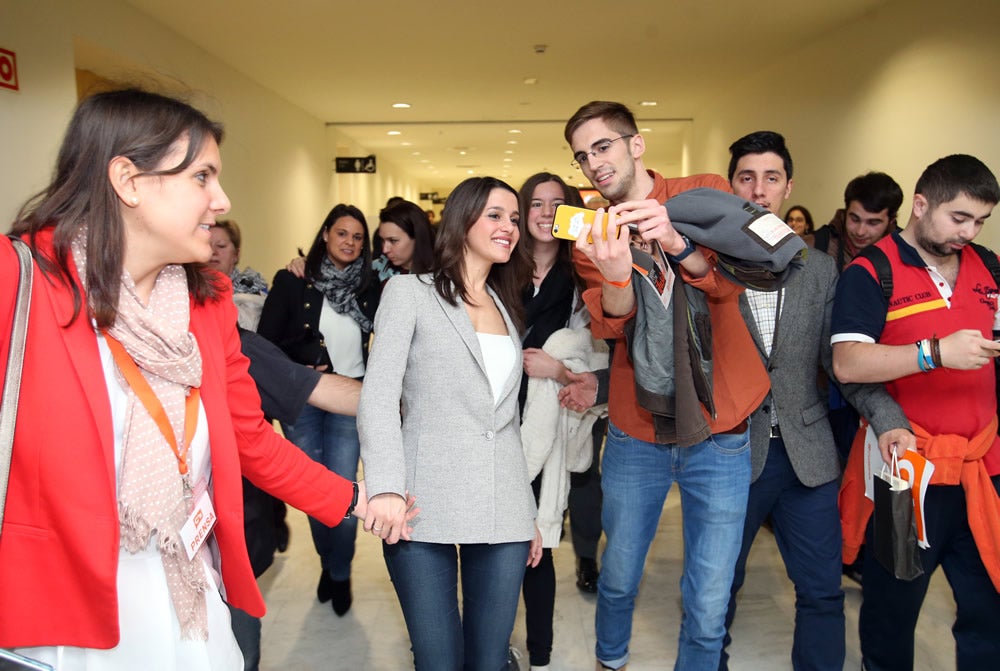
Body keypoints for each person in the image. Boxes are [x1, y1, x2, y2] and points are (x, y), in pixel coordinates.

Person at [0, 88, 396, 669]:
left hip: (187, 600)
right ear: (128, 180)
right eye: (202, 177)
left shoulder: (206, 305)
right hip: (63, 628)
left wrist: (359, 501)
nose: (221, 200)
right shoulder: (21, 285)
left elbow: (252, 441)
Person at [564, 100, 769, 671]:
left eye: (602, 147)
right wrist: (613, 273)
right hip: (638, 427)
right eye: (582, 157)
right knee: (621, 571)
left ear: (635, 144)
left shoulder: (702, 190)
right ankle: (610, 658)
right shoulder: (590, 230)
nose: (593, 164)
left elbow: (736, 283)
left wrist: (678, 244)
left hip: (720, 425)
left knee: (708, 595)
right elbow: (616, 324)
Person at [720, 131, 909, 671]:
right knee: (715, 593)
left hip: (807, 455)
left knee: (823, 593)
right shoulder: (704, 264)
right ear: (730, 184)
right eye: (746, 177)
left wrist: (888, 419)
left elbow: (843, 365)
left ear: (788, 187)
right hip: (729, 456)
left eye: (771, 178)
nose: (758, 190)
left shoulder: (820, 269)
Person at [359, 176, 543, 670]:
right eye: (496, 216)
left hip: (502, 504)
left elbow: (505, 421)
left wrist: (528, 513)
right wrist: (385, 489)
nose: (510, 227)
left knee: (489, 658)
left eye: (514, 218)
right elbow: (378, 396)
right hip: (422, 503)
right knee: (438, 659)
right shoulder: (408, 293)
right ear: (463, 220)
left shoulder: (507, 306)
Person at [832, 154, 1000, 671]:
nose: (968, 232)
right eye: (959, 218)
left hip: (983, 471)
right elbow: (846, 362)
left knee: (988, 610)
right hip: (903, 479)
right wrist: (934, 352)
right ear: (922, 205)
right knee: (891, 611)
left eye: (980, 222)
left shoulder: (989, 267)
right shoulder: (871, 271)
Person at [256, 203, 380, 617]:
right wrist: (299, 361)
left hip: (349, 400)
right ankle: (329, 563)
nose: (350, 242)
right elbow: (266, 340)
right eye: (342, 233)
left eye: (358, 237)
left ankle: (339, 571)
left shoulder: (370, 285)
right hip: (305, 398)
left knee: (343, 493)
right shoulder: (294, 280)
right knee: (311, 494)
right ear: (326, 234)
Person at [516, 172, 607, 671]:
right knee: (493, 544)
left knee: (537, 543)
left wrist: (556, 367)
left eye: (557, 204)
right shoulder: (499, 268)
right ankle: (492, 644)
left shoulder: (585, 278)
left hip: (547, 425)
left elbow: (604, 359)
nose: (546, 212)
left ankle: (542, 655)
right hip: (494, 420)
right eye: (536, 203)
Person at [808, 172, 904, 273]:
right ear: (846, 212)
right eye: (855, 219)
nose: (860, 232)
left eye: (873, 223)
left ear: (891, 220)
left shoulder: (906, 253)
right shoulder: (814, 246)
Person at [208, 219, 269, 330]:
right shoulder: (183, 288)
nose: (213, 251)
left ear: (236, 254)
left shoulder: (253, 290)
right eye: (207, 245)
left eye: (221, 246)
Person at [372, 199, 436, 285]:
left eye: (393, 241)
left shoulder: (440, 276)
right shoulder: (374, 269)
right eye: (382, 240)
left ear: (417, 237)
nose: (385, 249)